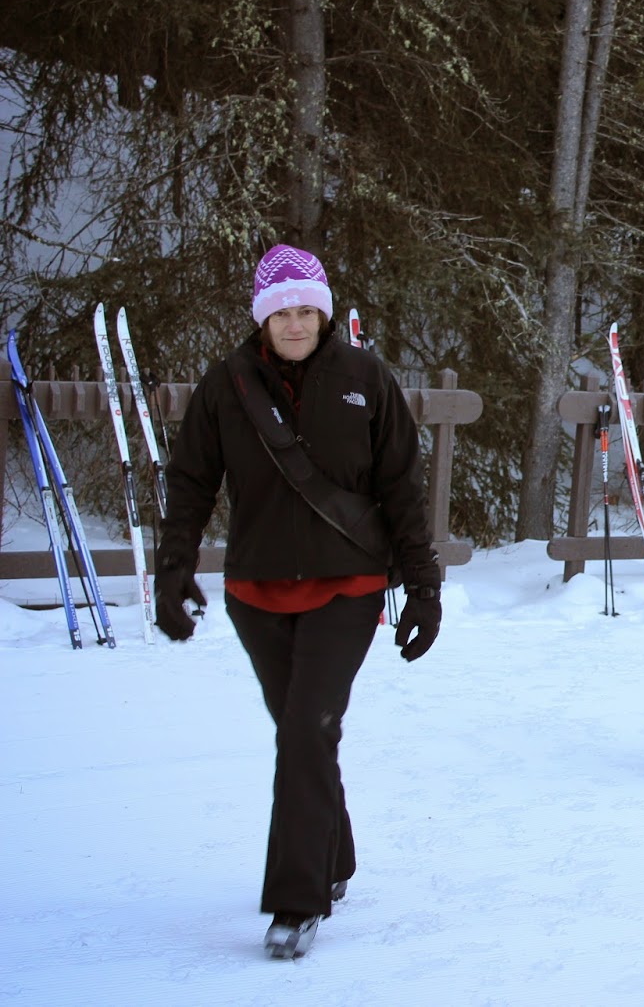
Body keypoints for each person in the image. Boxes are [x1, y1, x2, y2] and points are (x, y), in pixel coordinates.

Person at [153, 243, 441, 959]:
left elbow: (402, 487)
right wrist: (172, 570)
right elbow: (191, 481)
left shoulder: (365, 378)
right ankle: (332, 857)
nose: (295, 321)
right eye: (282, 309)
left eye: (307, 308)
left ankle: (294, 900)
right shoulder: (227, 385)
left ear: (325, 311)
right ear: (262, 316)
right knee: (303, 734)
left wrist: (424, 587)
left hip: (347, 587)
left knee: (305, 730)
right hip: (256, 591)